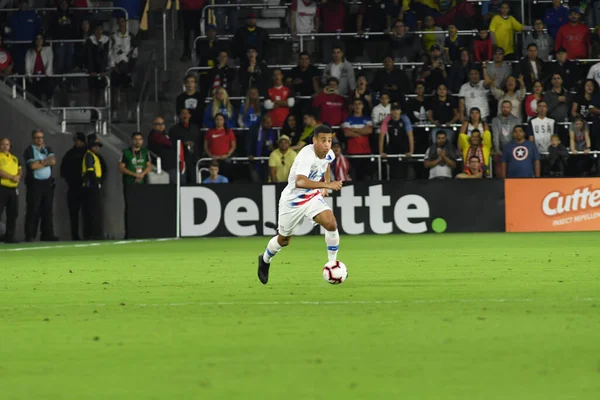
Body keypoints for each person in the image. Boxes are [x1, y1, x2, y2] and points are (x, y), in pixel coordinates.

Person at [257, 125, 343, 285]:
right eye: (323, 140)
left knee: (331, 223)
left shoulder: (328, 154)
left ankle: (332, 264)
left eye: (329, 140)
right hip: (292, 202)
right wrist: (327, 185)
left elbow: (327, 163)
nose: (327, 144)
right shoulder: (306, 155)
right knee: (284, 240)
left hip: (311, 197)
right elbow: (300, 181)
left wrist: (325, 182)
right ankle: (265, 259)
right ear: (314, 140)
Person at [24, 130, 58, 242]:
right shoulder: (29, 150)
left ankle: (47, 234)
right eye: (37, 138)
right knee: (33, 209)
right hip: (35, 184)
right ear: (33, 139)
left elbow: (53, 161)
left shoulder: (47, 149)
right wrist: (45, 162)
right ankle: (30, 235)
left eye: (41, 137)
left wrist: (40, 162)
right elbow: (32, 166)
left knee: (47, 210)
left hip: (47, 183)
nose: (39, 140)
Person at [60, 132, 87, 241]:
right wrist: (69, 180)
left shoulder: (88, 153)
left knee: (87, 213)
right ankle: (75, 236)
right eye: (76, 141)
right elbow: (63, 170)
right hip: (73, 187)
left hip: (86, 188)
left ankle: (88, 234)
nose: (77, 143)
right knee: (73, 213)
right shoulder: (70, 154)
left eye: (79, 141)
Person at [81, 134, 103, 240]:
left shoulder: (93, 156)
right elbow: (90, 172)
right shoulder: (89, 156)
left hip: (92, 185)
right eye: (95, 145)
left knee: (94, 210)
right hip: (91, 186)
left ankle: (94, 233)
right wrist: (96, 183)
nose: (97, 148)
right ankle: (93, 234)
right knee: (93, 210)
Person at [0, 138, 22, 243]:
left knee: (13, 213)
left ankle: (10, 236)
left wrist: (18, 176)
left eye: (7, 144)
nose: (5, 146)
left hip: (13, 189)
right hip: (2, 187)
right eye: (3, 144)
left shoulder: (14, 158)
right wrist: (11, 177)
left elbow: (20, 169)